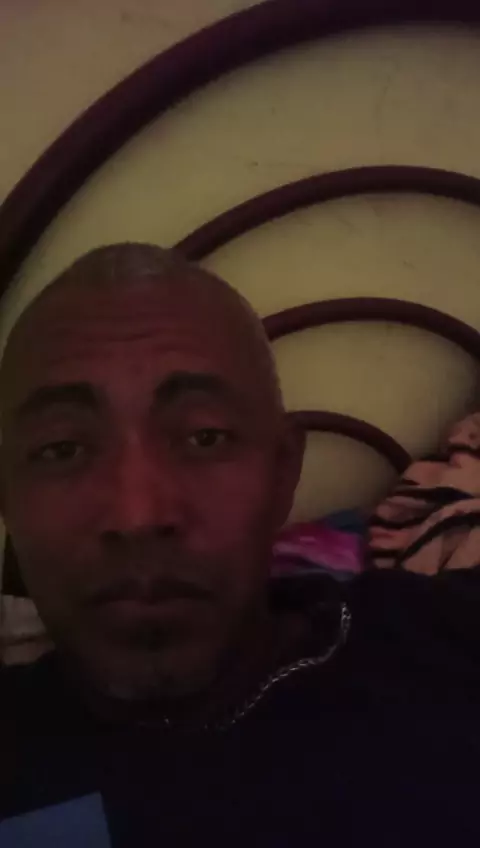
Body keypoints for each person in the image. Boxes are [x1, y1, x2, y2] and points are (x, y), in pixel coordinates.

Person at [0, 243, 479, 847]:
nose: (138, 515)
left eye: (205, 437)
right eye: (62, 448)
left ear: (282, 472)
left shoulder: (450, 644)